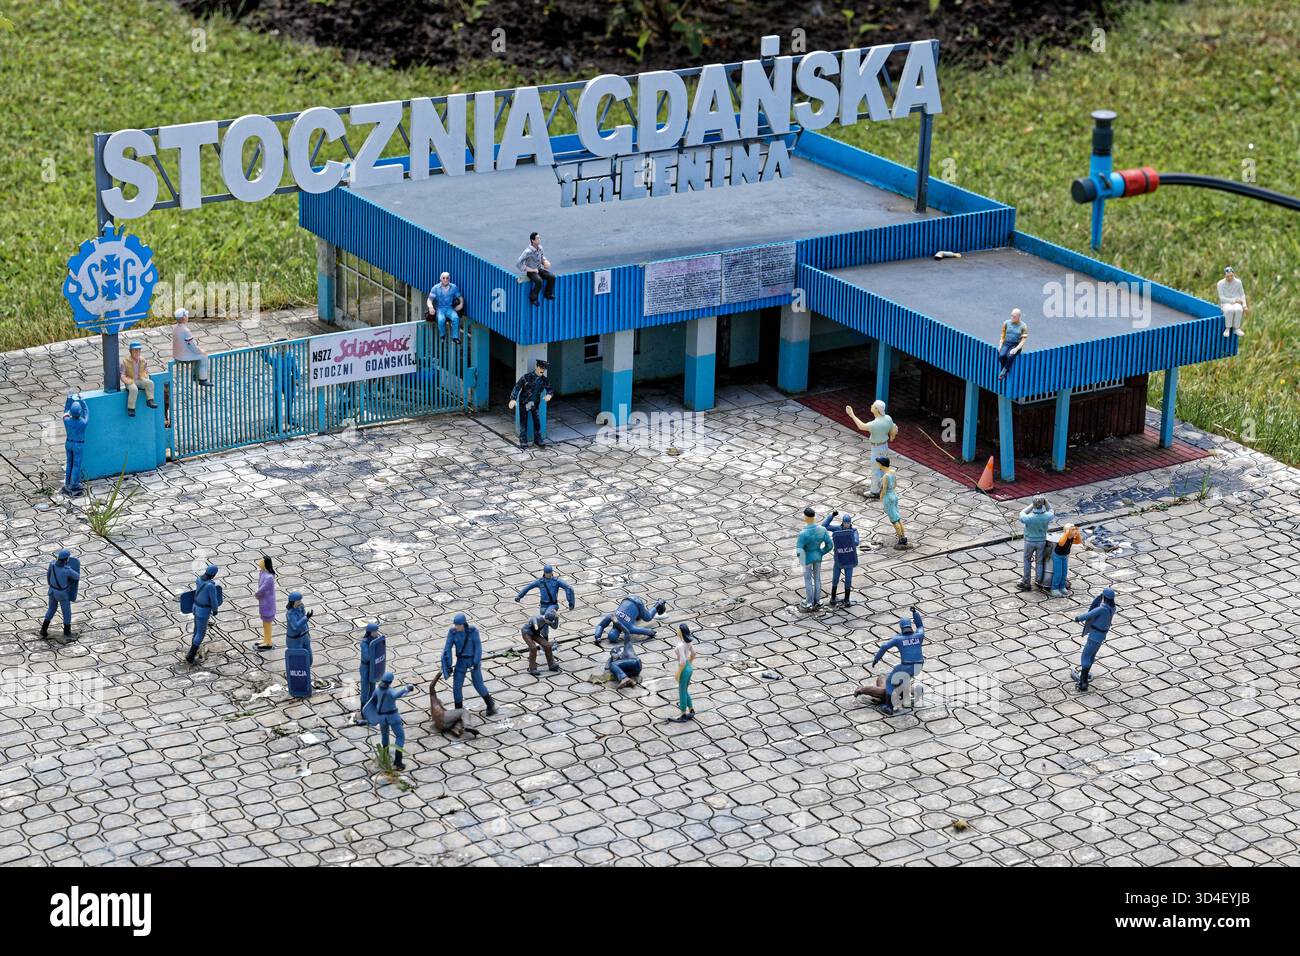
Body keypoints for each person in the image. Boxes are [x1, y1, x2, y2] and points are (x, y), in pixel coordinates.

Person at [871, 607, 925, 716]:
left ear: (901, 627)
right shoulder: (919, 636)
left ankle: (889, 706)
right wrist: (915, 613)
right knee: (903, 678)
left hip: (906, 665)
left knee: (890, 682)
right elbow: (920, 626)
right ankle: (904, 695)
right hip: (919, 666)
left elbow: (884, 646)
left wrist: (876, 658)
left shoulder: (898, 639)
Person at [441, 613, 497, 717]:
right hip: (461, 661)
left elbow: (478, 647)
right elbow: (447, 648)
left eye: (458, 625)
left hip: (472, 660)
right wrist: (447, 664)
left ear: (463, 624)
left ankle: (490, 704)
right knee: (456, 687)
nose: (456, 627)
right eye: (455, 625)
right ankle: (458, 711)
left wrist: (476, 662)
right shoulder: (452, 632)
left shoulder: (473, 631)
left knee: (478, 684)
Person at [845, 401, 897, 497]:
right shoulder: (888, 419)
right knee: (883, 468)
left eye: (873, 405)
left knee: (876, 469)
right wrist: (892, 437)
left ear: (877, 409)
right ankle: (882, 487)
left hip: (876, 448)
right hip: (885, 446)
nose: (871, 406)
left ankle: (874, 491)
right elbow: (894, 428)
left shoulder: (875, 424)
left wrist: (852, 415)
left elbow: (861, 426)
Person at [364, 672, 415, 770]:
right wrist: (407, 688)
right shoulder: (390, 691)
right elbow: (397, 695)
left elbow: (372, 701)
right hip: (393, 716)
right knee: (400, 737)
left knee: (385, 735)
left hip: (382, 717)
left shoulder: (377, 690)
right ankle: (398, 762)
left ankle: (385, 755)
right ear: (390, 681)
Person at [1074, 588, 1117, 692]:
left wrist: (1078, 618)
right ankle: (1085, 675)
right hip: (1101, 636)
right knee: (1092, 655)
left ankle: (1083, 682)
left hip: (1094, 636)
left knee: (1086, 656)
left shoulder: (1102, 609)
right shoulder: (1113, 608)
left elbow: (1088, 615)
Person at [594, 596, 666, 653]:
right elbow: (601, 626)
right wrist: (597, 636)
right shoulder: (612, 616)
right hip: (627, 600)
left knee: (648, 618)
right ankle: (637, 615)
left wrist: (652, 633)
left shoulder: (628, 628)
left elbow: (645, 631)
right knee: (632, 617)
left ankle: (659, 603)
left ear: (618, 635)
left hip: (638, 605)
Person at [508, 358, 553, 448]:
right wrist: (513, 399)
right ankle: (523, 439)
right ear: (536, 367)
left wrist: (549, 395)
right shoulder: (526, 377)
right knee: (523, 422)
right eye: (541, 367)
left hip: (534, 403)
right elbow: (517, 387)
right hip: (524, 402)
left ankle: (537, 439)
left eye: (544, 368)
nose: (542, 370)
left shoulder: (544, 380)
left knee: (537, 422)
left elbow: (550, 389)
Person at [796, 507, 833, 609]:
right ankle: (818, 600)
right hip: (818, 556)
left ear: (806, 518)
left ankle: (809, 602)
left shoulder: (803, 533)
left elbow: (799, 550)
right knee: (817, 578)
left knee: (808, 579)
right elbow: (829, 545)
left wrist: (801, 560)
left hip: (807, 558)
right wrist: (821, 552)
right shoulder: (822, 530)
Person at [184, 564, 223, 664]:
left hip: (195, 607)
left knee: (196, 629)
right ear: (213, 574)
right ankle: (191, 654)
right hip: (203, 611)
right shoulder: (210, 585)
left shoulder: (198, 579)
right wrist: (215, 610)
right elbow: (213, 600)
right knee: (201, 633)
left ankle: (194, 649)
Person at [40, 549, 81, 639]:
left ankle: (43, 629)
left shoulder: (52, 565)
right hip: (62, 593)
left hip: (52, 591)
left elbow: (48, 576)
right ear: (66, 559)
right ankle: (67, 633)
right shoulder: (67, 570)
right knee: (66, 613)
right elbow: (77, 576)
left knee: (51, 609)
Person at [821, 511, 860, 605]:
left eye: (848, 523)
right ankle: (833, 598)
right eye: (845, 523)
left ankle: (847, 599)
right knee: (835, 578)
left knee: (848, 579)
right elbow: (824, 526)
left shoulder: (853, 531)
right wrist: (831, 516)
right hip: (839, 557)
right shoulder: (838, 529)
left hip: (849, 557)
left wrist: (848, 536)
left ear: (850, 523)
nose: (847, 525)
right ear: (843, 522)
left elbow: (856, 542)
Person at [1018, 496, 1055, 591]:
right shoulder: (1047, 516)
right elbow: (1051, 510)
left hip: (1029, 541)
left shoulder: (1029, 518)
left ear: (1034, 505)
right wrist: (1046, 502)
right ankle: (1039, 580)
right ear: (1042, 504)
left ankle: (1026, 582)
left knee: (1027, 560)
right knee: (1039, 561)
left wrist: (1031, 505)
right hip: (1041, 541)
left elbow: (1022, 513)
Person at [262, 339, 299, 430]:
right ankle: (276, 421)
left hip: (288, 382)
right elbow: (267, 359)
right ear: (276, 349)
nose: (282, 349)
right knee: (276, 403)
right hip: (278, 384)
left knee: (290, 401)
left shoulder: (290, 357)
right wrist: (264, 350)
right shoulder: (275, 359)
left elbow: (295, 369)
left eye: (284, 347)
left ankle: (290, 419)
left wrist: (297, 378)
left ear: (287, 347)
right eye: (280, 347)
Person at [284, 591, 313, 698]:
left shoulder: (301, 608)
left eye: (301, 600)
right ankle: (298, 683)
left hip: (304, 637)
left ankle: (306, 678)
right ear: (293, 602)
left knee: (309, 659)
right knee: (297, 664)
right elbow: (295, 626)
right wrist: (306, 618)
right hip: (294, 640)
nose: (300, 602)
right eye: (298, 600)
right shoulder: (290, 614)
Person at [173, 308, 212, 385]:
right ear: (184, 317)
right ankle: (202, 379)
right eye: (187, 315)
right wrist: (200, 351)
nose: (187, 317)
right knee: (203, 356)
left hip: (176, 355)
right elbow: (192, 346)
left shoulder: (175, 328)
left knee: (197, 356)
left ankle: (195, 375)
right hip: (184, 356)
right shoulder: (186, 331)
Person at [876, 458, 909, 550]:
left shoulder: (886, 476)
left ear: (881, 464)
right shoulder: (892, 472)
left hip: (888, 497)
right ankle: (903, 536)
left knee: (894, 520)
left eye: (878, 464)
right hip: (894, 495)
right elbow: (895, 485)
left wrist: (881, 497)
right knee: (898, 517)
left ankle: (901, 538)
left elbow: (884, 489)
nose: (878, 465)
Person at [516, 231, 555, 306]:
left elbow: (542, 256)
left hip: (539, 269)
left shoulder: (540, 248)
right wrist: (530, 270)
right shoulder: (527, 252)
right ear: (532, 240)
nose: (539, 240)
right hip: (531, 272)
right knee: (539, 281)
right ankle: (533, 298)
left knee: (552, 277)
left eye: (539, 238)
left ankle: (548, 293)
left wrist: (545, 261)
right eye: (537, 238)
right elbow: (518, 263)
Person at [120, 342, 158, 417]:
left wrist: (145, 376)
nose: (137, 352)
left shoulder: (142, 360)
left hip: (140, 379)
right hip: (130, 381)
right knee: (134, 389)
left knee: (150, 383)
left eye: (139, 350)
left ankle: (150, 400)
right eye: (135, 351)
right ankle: (131, 408)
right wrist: (126, 381)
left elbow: (145, 370)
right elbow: (122, 374)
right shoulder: (125, 361)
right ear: (130, 351)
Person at [521, 608, 562, 677]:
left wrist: (557, 618)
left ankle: (551, 664)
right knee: (533, 648)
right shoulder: (540, 618)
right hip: (527, 632)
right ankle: (532, 668)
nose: (549, 623)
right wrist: (536, 624)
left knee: (547, 645)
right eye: (549, 621)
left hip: (535, 633)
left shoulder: (547, 621)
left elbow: (554, 627)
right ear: (546, 618)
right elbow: (533, 617)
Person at [425, 272, 465, 342]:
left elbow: (459, 296)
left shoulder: (454, 287)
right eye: (443, 278)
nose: (445, 280)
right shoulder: (435, 288)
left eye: (447, 278)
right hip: (440, 308)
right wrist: (431, 307)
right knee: (441, 320)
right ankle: (442, 335)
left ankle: (455, 337)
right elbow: (429, 300)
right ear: (440, 279)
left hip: (449, 308)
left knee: (455, 318)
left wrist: (461, 304)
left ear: (449, 278)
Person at [358, 623, 385, 725]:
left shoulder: (376, 640)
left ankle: (371, 707)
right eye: (375, 631)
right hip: (366, 667)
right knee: (365, 688)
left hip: (373, 667)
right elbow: (367, 657)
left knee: (372, 688)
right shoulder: (364, 643)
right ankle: (363, 710)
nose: (376, 633)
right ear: (370, 632)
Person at [62, 397, 89, 497]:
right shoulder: (83, 423)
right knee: (76, 464)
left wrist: (69, 399)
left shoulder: (66, 420)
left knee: (69, 463)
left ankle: (67, 483)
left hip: (68, 443)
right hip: (78, 444)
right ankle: (74, 484)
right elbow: (86, 413)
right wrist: (83, 402)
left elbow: (65, 411)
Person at [1049, 524, 1083, 597]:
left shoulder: (1071, 538)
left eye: (1074, 529)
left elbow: (1078, 541)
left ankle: (1062, 586)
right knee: (1058, 573)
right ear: (1067, 531)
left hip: (1065, 556)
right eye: (1072, 530)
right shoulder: (1064, 537)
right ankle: (1054, 588)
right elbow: (1061, 544)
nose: (1074, 531)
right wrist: (1066, 533)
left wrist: (1078, 533)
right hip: (1057, 556)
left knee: (1064, 573)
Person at [672, 623, 696, 722]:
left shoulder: (681, 646)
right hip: (689, 668)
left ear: (681, 632)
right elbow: (694, 654)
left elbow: (682, 662)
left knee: (681, 691)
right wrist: (689, 663)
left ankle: (683, 714)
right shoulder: (688, 642)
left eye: (678, 629)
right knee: (685, 690)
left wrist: (678, 673)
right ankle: (691, 709)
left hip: (684, 668)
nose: (677, 631)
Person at [997, 308, 1028, 381]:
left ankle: (1004, 371)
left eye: (1014, 317)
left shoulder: (1023, 326)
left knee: (1010, 356)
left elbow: (1023, 340)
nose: (1012, 318)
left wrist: (1016, 348)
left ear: (1019, 317)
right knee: (1001, 355)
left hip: (1015, 344)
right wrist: (1000, 344)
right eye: (1011, 316)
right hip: (1006, 343)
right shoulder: (1006, 323)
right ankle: (1006, 368)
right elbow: (1003, 335)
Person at [1217, 266, 1248, 338]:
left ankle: (1236, 328)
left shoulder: (1238, 282)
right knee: (1229, 310)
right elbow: (1222, 298)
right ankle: (1227, 328)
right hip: (1226, 303)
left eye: (1231, 276)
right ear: (1225, 276)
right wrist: (1233, 300)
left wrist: (1244, 305)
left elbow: (1242, 294)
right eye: (1228, 276)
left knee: (1238, 309)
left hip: (1237, 302)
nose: (1230, 278)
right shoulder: (1220, 284)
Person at [254, 556, 276, 651]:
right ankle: (265, 639)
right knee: (265, 623)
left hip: (268, 603)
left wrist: (257, 594)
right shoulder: (262, 573)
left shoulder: (269, 577)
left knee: (267, 623)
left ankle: (268, 642)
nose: (259, 563)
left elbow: (263, 588)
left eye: (261, 562)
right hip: (263, 602)